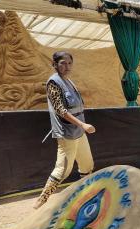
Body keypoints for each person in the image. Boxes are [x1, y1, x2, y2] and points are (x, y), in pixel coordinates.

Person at [33, 51, 95, 209]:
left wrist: (81, 126)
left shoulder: (69, 81)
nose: (67, 66)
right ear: (54, 65)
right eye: (63, 63)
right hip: (68, 133)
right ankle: (42, 200)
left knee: (87, 165)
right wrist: (82, 125)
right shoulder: (53, 82)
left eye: (69, 63)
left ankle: (85, 195)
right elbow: (60, 110)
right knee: (63, 170)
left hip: (79, 132)